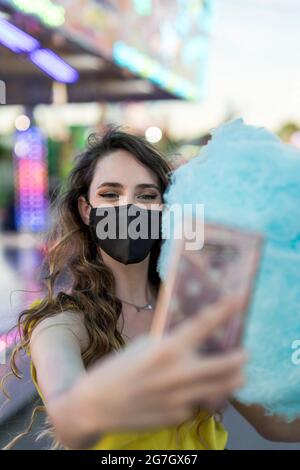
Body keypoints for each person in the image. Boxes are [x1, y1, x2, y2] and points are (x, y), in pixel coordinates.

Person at [3, 129, 300, 450]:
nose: (128, 207)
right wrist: (97, 402)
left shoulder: (196, 311)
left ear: (166, 209)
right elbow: (68, 416)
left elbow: (273, 427)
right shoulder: (63, 321)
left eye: (146, 196)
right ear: (86, 209)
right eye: (110, 194)